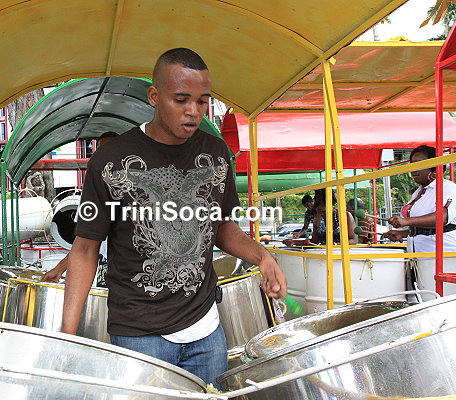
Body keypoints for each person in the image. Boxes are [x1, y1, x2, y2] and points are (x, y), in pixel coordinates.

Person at [42, 48, 286, 388]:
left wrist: (262, 256)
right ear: (154, 97)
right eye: (181, 100)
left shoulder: (215, 154)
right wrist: (67, 333)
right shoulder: (112, 161)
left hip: (207, 332)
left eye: (202, 101)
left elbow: (221, 227)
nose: (193, 111)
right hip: (139, 336)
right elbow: (85, 249)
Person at [47, 131, 119, 285]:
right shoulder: (91, 196)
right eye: (102, 152)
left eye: (113, 151)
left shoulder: (139, 193)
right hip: (107, 270)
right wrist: (59, 270)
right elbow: (84, 246)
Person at [384, 145, 456, 252]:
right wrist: (403, 233)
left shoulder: (448, 187)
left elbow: (443, 218)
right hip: (419, 254)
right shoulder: (418, 192)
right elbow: (424, 229)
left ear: (434, 167)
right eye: (412, 165)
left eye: (420, 164)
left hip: (443, 253)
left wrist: (406, 221)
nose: (414, 169)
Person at [283, 189, 357, 246]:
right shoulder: (317, 219)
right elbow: (314, 241)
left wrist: (334, 245)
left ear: (331, 205)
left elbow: (353, 241)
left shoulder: (346, 216)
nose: (321, 214)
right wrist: (294, 242)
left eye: (323, 211)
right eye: (318, 212)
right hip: (323, 255)